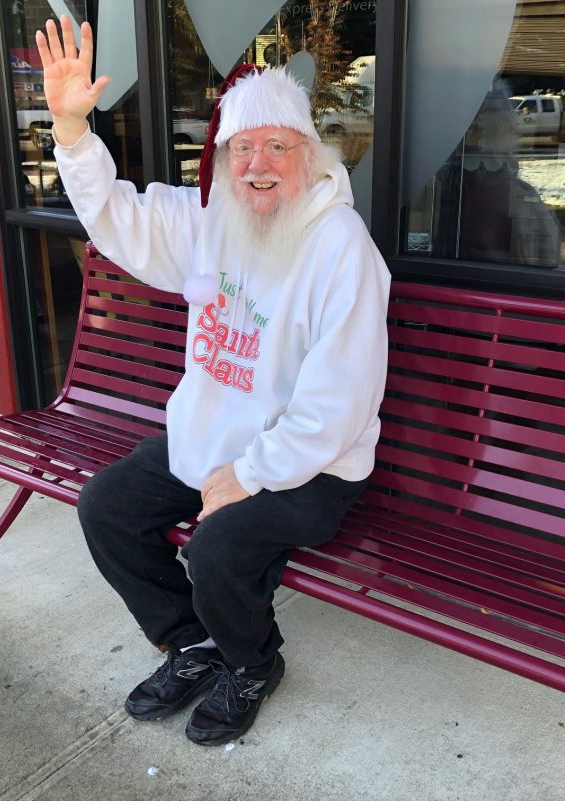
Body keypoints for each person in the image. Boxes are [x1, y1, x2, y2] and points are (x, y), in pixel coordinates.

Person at [35, 18, 390, 746]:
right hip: (214, 436)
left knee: (218, 547)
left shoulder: (342, 249)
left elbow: (338, 406)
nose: (259, 164)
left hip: (312, 465)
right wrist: (72, 132)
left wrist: (252, 473)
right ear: (225, 157)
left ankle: (253, 661)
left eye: (277, 146)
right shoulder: (213, 220)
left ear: (309, 156)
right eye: (242, 146)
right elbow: (120, 218)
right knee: (106, 505)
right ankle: (191, 640)